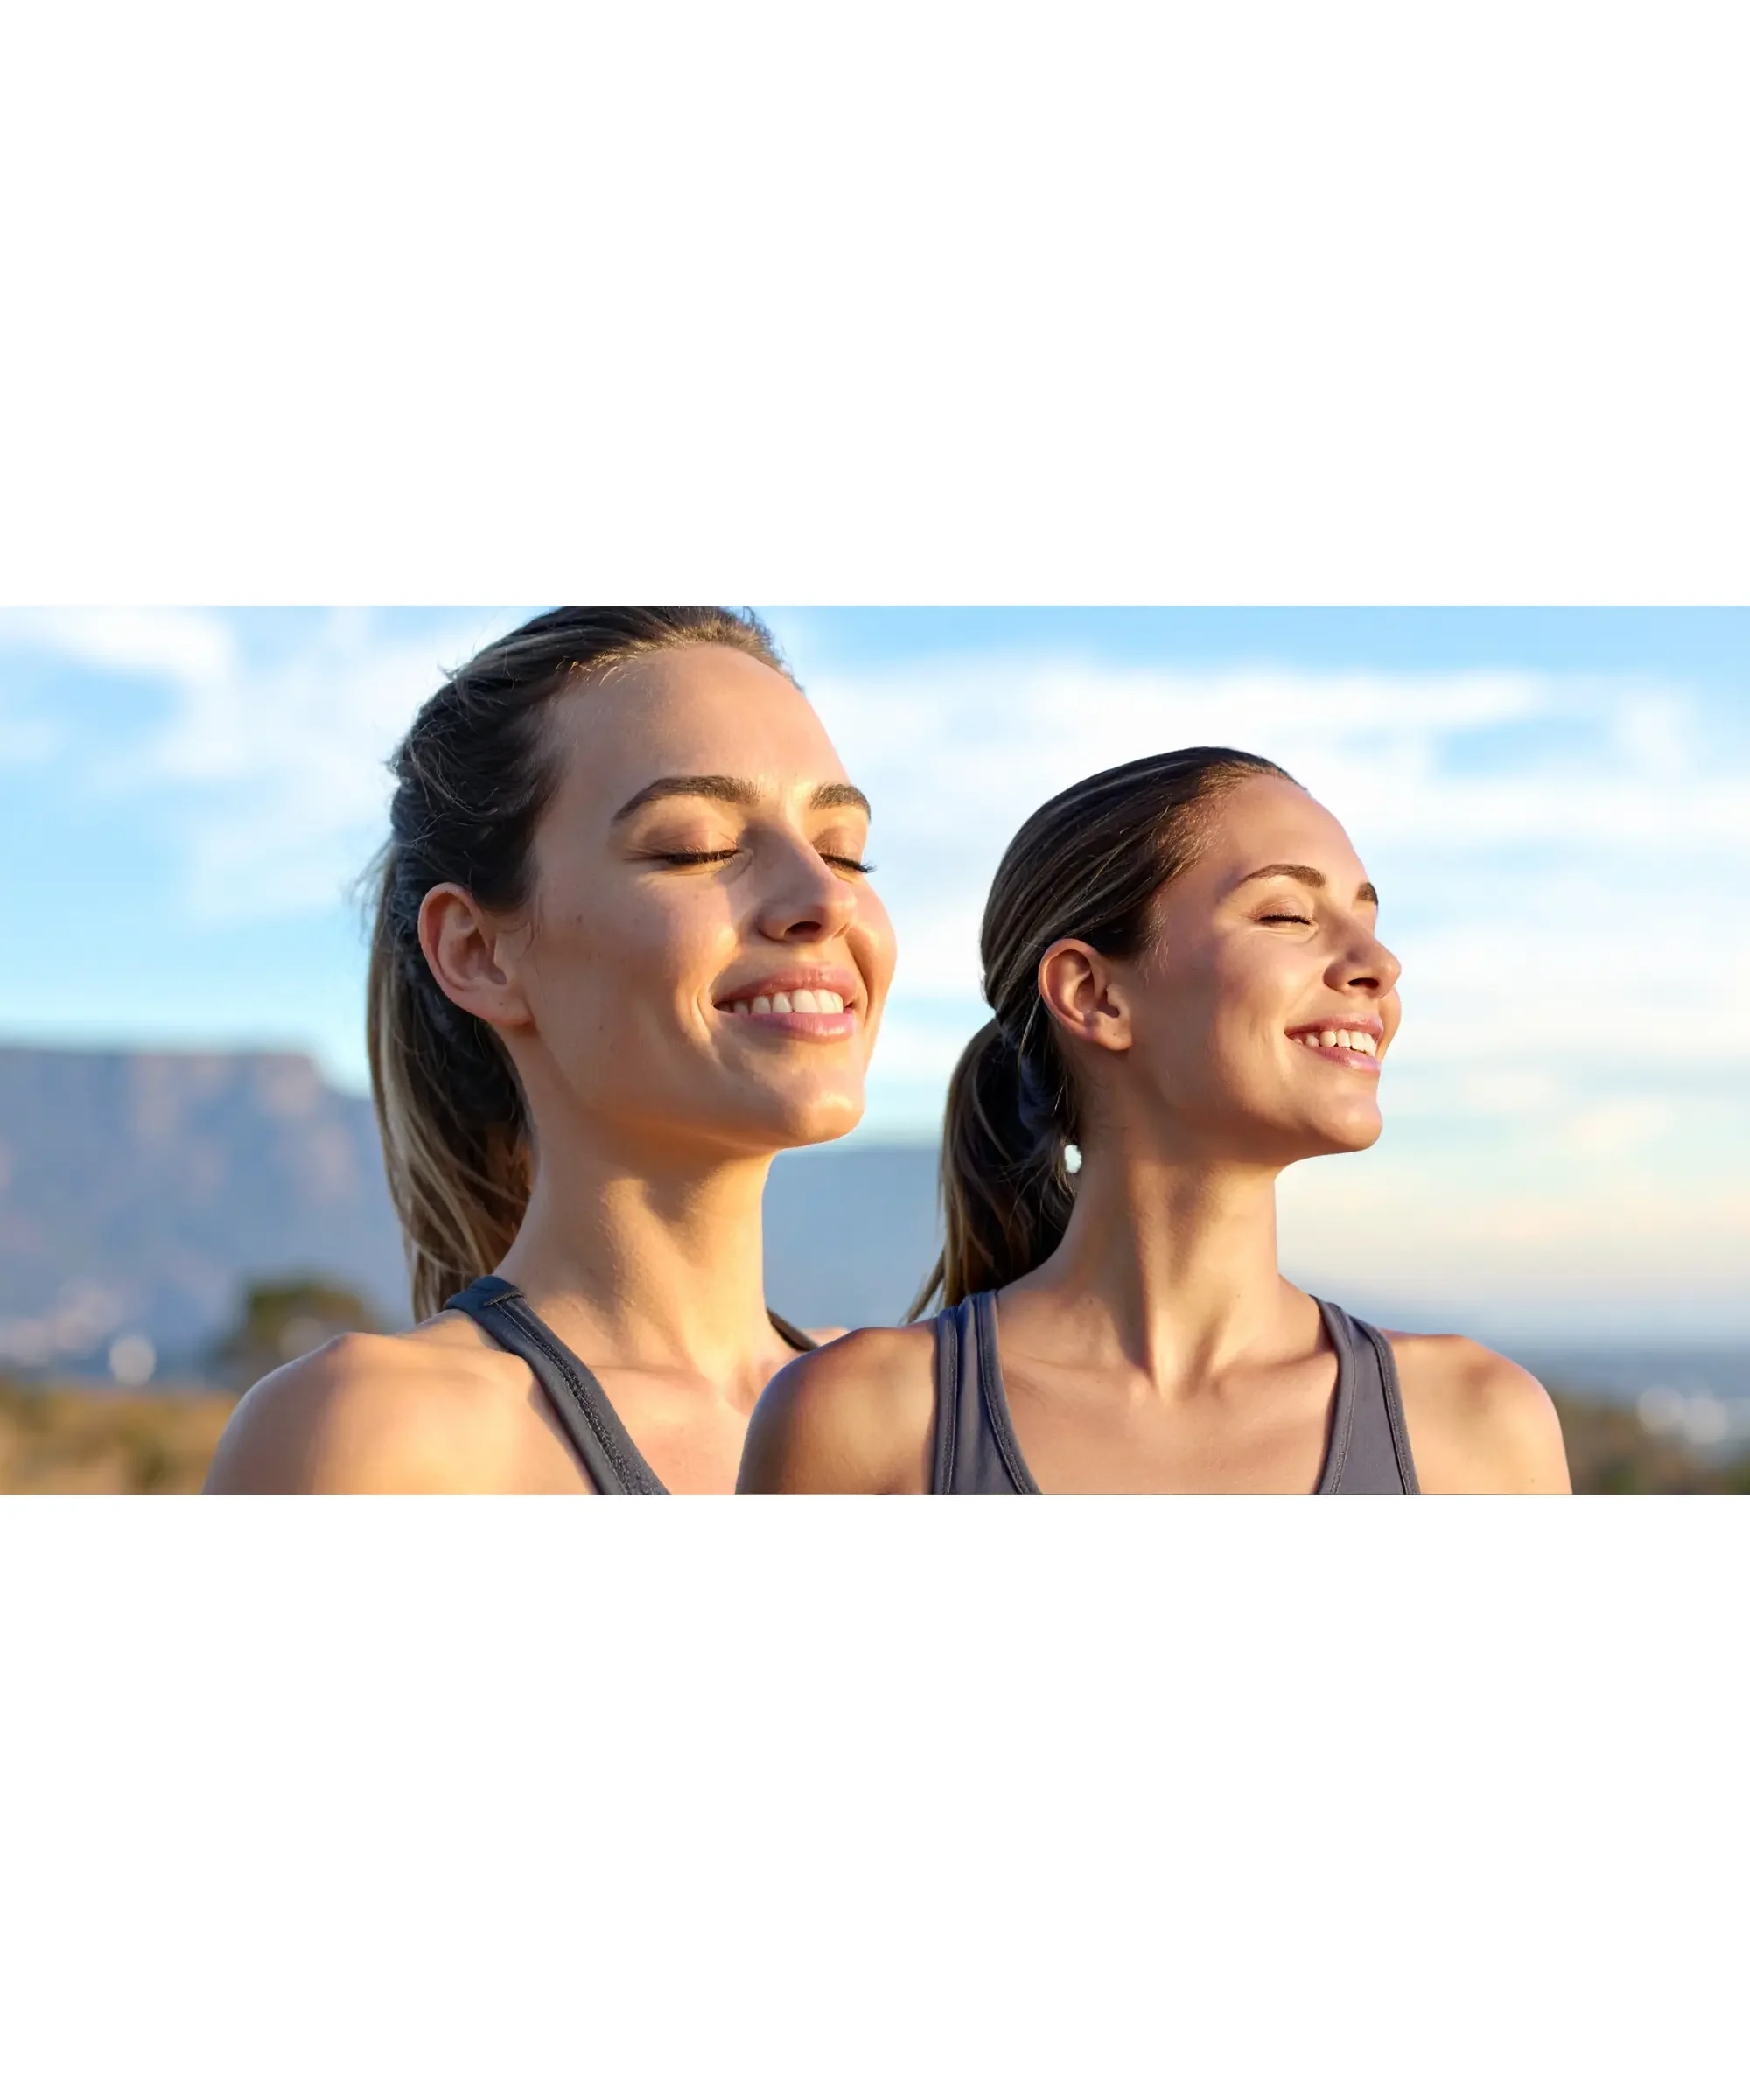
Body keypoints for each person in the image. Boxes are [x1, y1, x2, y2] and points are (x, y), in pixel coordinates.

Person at [739, 747, 1571, 1494]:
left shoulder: (1480, 1427)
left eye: (1369, 920)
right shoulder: (858, 1422)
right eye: (1288, 915)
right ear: (1093, 994)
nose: (1380, 965)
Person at [206, 606, 894, 1493]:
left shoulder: (923, 1410)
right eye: (698, 847)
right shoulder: (381, 1437)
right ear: (477, 953)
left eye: (844, 852)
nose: (825, 899)